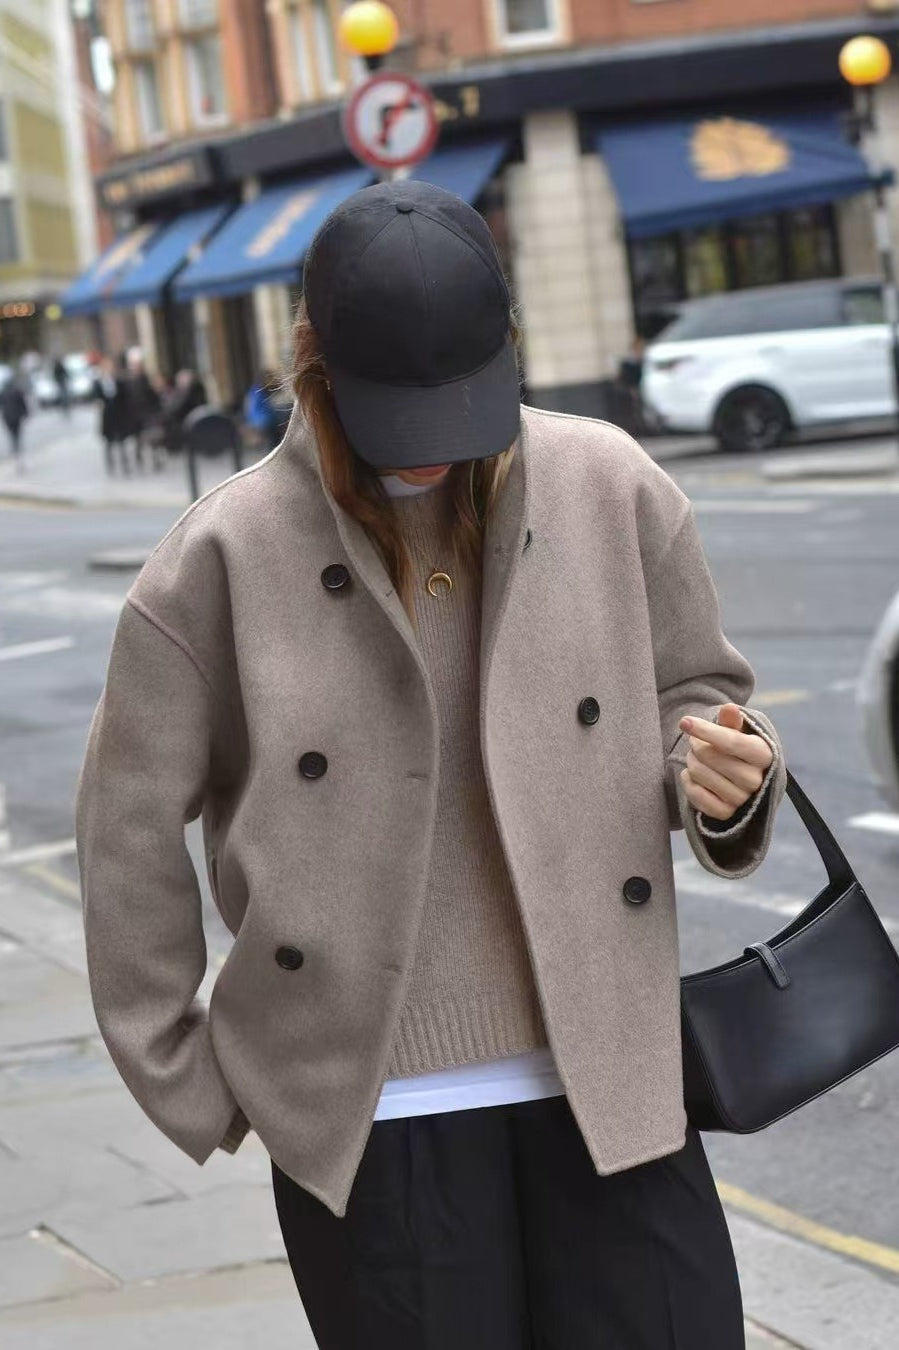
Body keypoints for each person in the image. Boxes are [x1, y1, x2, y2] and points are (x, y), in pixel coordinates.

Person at [74, 180, 788, 1349]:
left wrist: (723, 776)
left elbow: (697, 693)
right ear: (314, 365)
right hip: (375, 1114)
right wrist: (188, 1072)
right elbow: (126, 826)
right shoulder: (222, 554)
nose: (432, 454)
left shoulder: (608, 485)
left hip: (607, 1075)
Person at [92, 354, 134, 476]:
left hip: (119, 415)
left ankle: (125, 465)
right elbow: (96, 398)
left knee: (122, 442)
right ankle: (110, 465)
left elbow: (125, 398)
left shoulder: (119, 381)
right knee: (108, 443)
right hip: (107, 416)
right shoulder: (98, 383)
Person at [125, 347, 164, 471]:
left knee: (153, 438)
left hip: (147, 413)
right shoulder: (128, 381)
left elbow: (153, 396)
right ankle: (139, 457)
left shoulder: (146, 379)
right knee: (138, 439)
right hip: (135, 415)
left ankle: (155, 459)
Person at [160, 367, 207, 453]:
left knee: (169, 423)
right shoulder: (183, 391)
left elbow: (179, 407)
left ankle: (174, 447)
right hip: (188, 418)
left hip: (190, 419)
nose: (179, 383)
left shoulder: (191, 391)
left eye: (181, 380)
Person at [243, 369, 281, 451]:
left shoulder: (253, 390)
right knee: (274, 440)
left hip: (256, 421)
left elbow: (248, 409)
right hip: (264, 421)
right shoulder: (260, 391)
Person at [0, 374, 28, 470]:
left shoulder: (3, 392)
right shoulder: (17, 391)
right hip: (16, 417)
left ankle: (15, 452)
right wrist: (26, 414)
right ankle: (17, 453)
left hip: (8, 418)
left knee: (12, 436)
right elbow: (23, 404)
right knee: (17, 436)